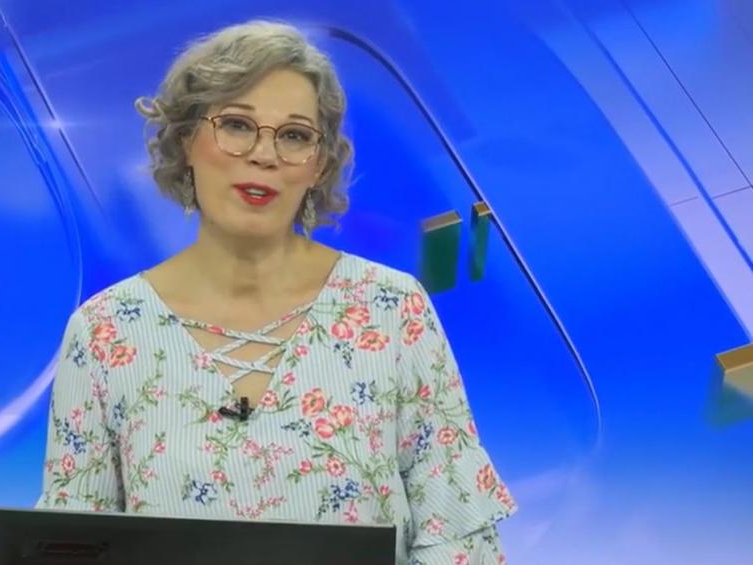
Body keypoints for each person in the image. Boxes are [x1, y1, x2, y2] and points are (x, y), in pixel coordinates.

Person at [38, 19, 516, 565]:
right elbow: (71, 549)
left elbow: (459, 539)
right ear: (187, 140)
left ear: (318, 165)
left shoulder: (391, 310)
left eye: (294, 136)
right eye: (237, 125)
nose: (264, 154)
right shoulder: (105, 332)